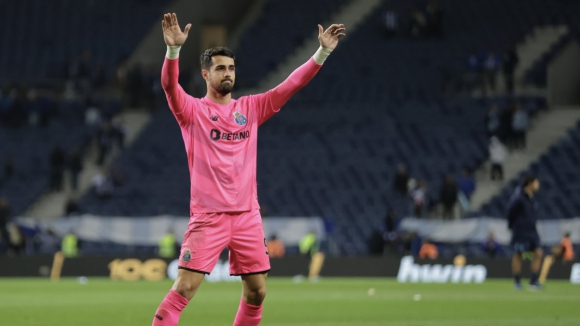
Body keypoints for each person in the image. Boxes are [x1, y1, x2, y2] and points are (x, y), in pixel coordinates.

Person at [151, 13, 345, 326]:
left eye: (230, 68)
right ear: (205, 74)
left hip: (246, 216)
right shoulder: (192, 111)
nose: (227, 73)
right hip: (208, 217)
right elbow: (169, 87)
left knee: (257, 292)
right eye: (220, 68)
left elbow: (290, 85)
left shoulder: (250, 109)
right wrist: (173, 51)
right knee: (185, 287)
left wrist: (322, 52)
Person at [507, 175, 543, 290]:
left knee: (538, 253)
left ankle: (533, 281)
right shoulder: (519, 198)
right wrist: (511, 226)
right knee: (518, 254)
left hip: (532, 230)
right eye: (536, 182)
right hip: (521, 231)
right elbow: (510, 212)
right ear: (530, 183)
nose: (538, 185)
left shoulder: (532, 198)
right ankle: (517, 282)